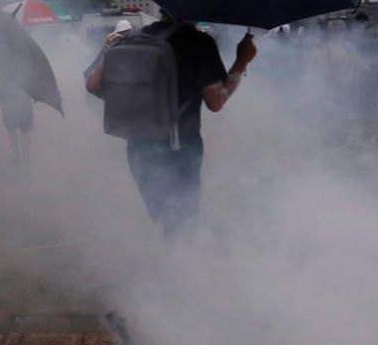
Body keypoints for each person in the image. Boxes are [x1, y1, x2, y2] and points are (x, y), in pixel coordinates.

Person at [86, 12, 257, 240]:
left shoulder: (133, 37)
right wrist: (241, 62)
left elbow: (93, 85)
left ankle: (159, 260)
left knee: (161, 215)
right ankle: (176, 270)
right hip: (179, 148)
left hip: (137, 144)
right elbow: (216, 101)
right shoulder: (199, 43)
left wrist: (134, 102)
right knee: (181, 221)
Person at [0, 72, 34, 163]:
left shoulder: (3, 58)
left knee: (13, 128)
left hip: (11, 95)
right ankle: (24, 156)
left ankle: (18, 155)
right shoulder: (27, 57)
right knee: (20, 128)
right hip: (20, 94)